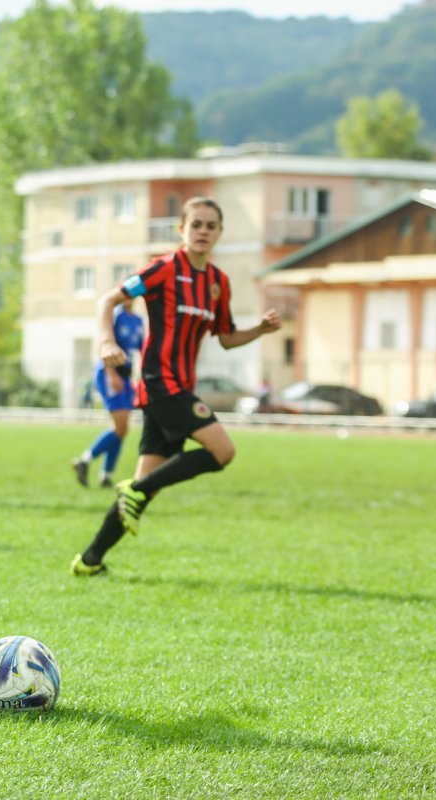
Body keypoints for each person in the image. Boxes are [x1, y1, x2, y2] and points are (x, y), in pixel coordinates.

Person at [70, 197, 282, 576]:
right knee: (222, 451)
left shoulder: (218, 283)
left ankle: (90, 560)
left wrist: (260, 330)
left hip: (180, 385)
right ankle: (132, 492)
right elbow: (108, 299)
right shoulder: (165, 269)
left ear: (219, 233)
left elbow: (227, 337)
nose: (203, 231)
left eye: (210, 226)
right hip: (159, 383)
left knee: (146, 485)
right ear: (181, 229)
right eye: (196, 224)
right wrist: (106, 341)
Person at [72, 298, 145, 489]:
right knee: (121, 428)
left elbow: (141, 348)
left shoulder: (137, 320)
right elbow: (104, 344)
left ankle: (106, 475)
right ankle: (85, 460)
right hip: (109, 372)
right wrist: (111, 373)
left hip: (125, 375)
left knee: (121, 429)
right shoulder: (116, 316)